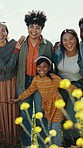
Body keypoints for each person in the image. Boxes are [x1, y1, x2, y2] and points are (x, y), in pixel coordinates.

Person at [16, 10, 54, 148]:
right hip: (24, 82)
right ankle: (26, 144)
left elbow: (51, 66)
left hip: (40, 84)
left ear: (42, 29)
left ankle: (43, 144)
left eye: (38, 27)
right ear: (27, 27)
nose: (34, 30)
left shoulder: (47, 44)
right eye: (31, 26)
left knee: (40, 114)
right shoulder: (20, 44)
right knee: (25, 115)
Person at [12, 55, 65, 147]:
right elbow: (29, 91)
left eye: (45, 66)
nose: (42, 69)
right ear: (36, 68)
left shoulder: (54, 78)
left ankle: (57, 145)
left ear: (49, 68)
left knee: (55, 128)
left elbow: (66, 86)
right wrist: (18, 98)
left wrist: (77, 91)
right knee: (49, 128)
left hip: (56, 106)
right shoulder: (36, 79)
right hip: (47, 107)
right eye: (39, 66)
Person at [53, 29, 83, 147]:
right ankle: (66, 139)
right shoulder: (58, 52)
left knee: (70, 114)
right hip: (61, 86)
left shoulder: (81, 53)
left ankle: (77, 137)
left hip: (76, 86)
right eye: (64, 40)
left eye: (71, 38)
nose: (68, 42)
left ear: (76, 39)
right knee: (63, 113)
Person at [0, 22, 24, 146]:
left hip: (14, 82)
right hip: (1, 85)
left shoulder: (13, 44)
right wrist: (16, 50)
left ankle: (17, 140)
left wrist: (22, 41)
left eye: (3, 30)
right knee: (3, 110)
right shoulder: (15, 47)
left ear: (7, 32)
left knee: (14, 108)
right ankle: (5, 141)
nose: (1, 33)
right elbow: (7, 68)